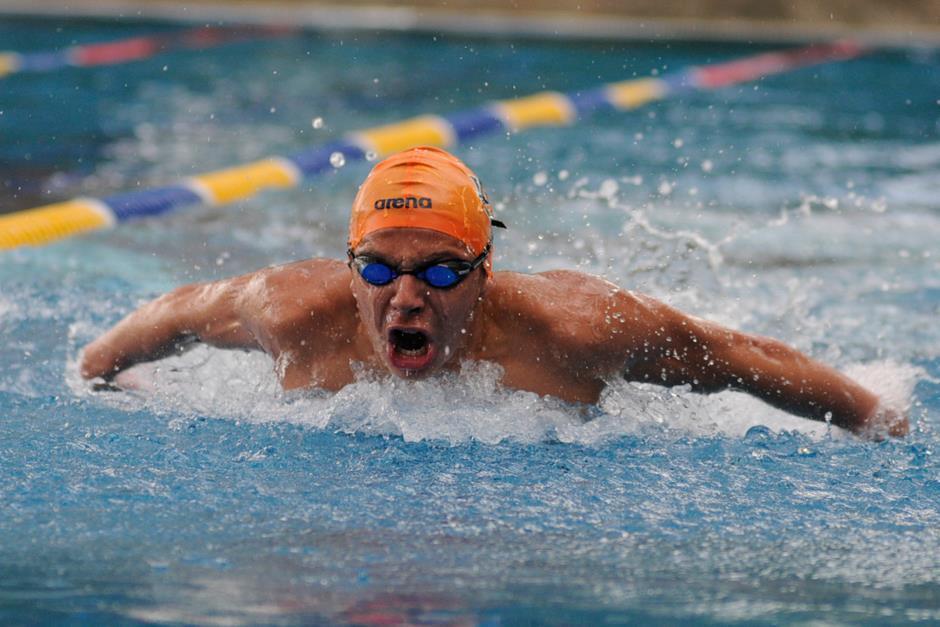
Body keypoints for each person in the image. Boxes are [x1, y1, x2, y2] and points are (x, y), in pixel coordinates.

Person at [80, 146, 908, 438]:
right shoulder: (294, 311)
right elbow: (174, 313)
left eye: (438, 270)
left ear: (484, 272)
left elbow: (737, 359)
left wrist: (875, 416)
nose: (404, 296)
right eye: (378, 268)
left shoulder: (577, 331)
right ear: (350, 264)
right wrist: (98, 372)